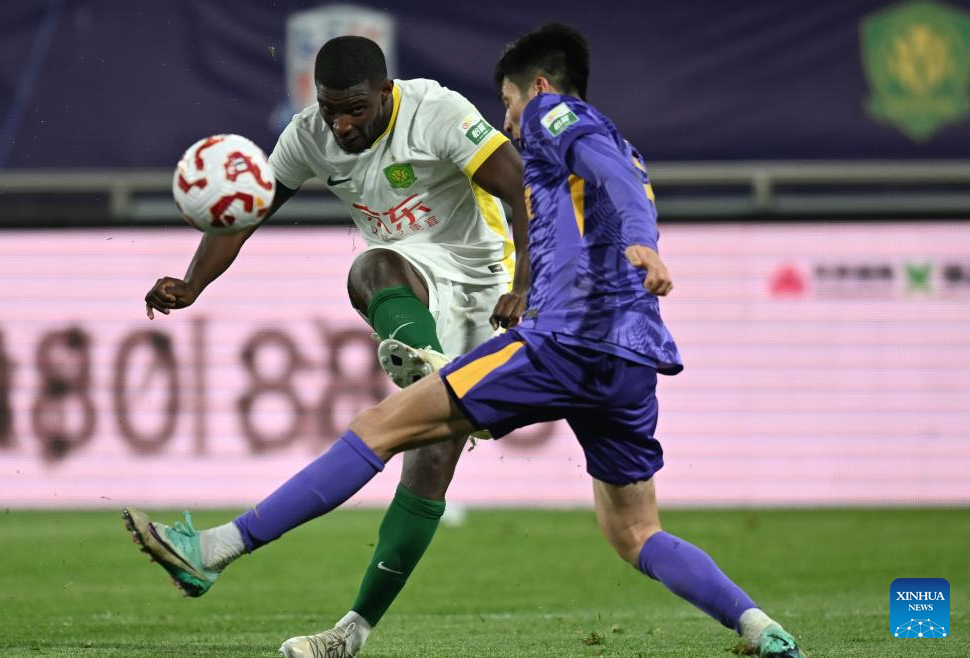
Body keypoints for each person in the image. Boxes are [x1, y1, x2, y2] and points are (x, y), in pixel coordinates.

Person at [127, 24, 804, 658]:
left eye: (508, 101)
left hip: (555, 335)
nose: (506, 119)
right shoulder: (620, 143)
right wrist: (193, 281)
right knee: (634, 532)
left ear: (538, 88)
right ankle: (760, 627)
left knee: (378, 427)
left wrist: (629, 247)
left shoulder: (551, 114)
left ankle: (217, 548)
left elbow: (587, 182)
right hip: (630, 355)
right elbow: (608, 178)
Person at [138, 35, 530, 657]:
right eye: (330, 110)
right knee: (369, 266)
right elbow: (249, 213)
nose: (341, 125)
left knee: (430, 462)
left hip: (483, 284)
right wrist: (192, 283)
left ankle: (334, 617)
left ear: (386, 93)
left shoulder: (437, 112)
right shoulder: (307, 136)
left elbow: (522, 188)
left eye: (355, 110)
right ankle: (428, 367)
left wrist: (526, 284)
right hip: (411, 279)